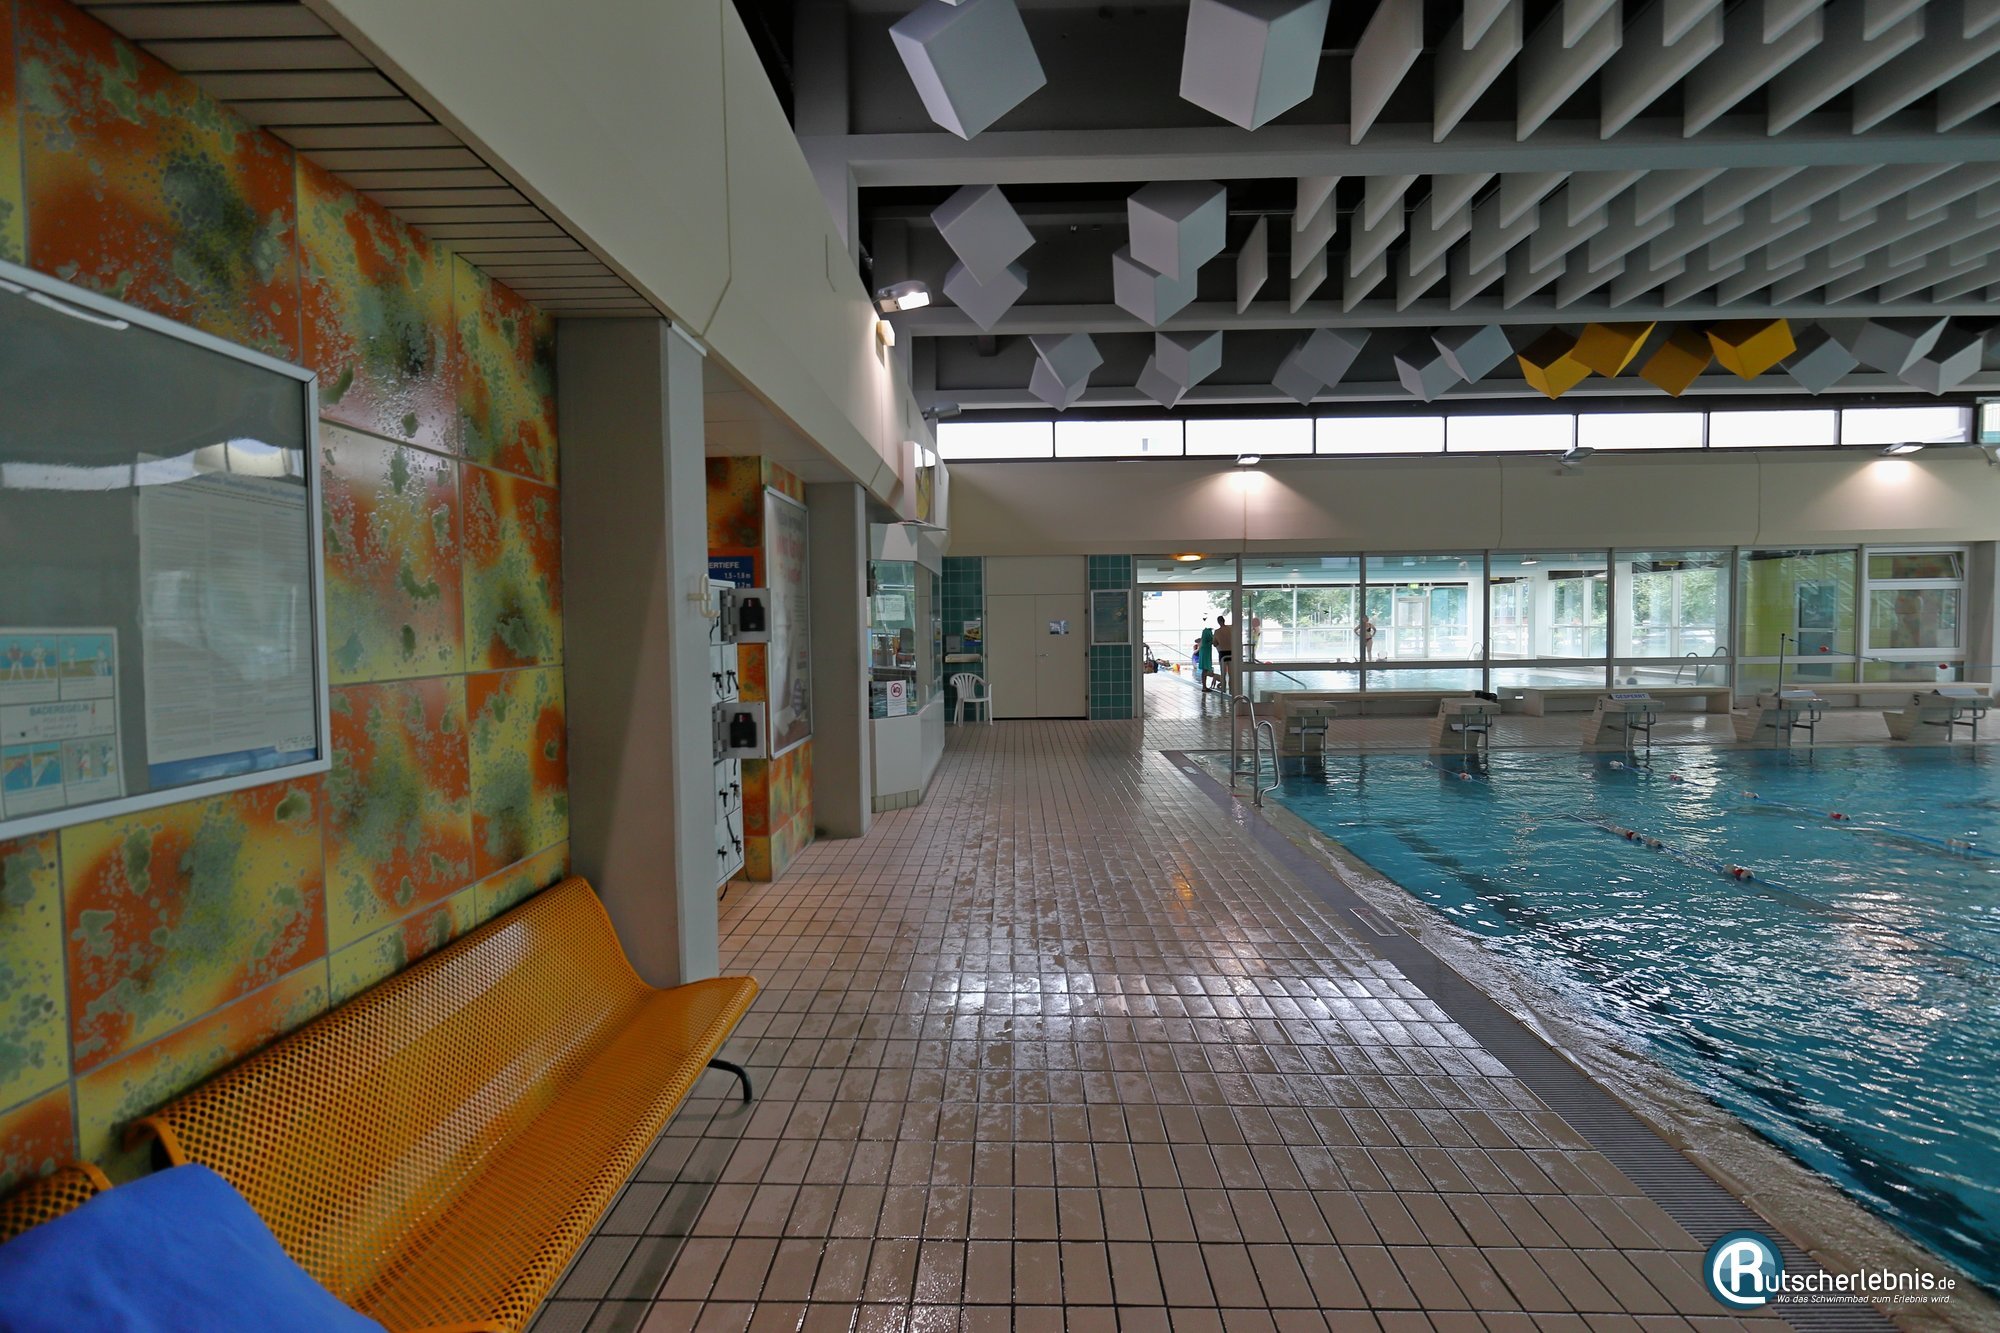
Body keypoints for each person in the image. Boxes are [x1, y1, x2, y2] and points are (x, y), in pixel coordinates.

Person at [1212, 615, 1235, 694]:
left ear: (1218, 622)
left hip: (1222, 654)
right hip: (1231, 652)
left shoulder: (1217, 632)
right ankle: (1232, 691)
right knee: (1231, 673)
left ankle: (1223, 690)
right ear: (1224, 621)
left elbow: (1215, 643)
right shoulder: (1230, 629)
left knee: (1223, 673)